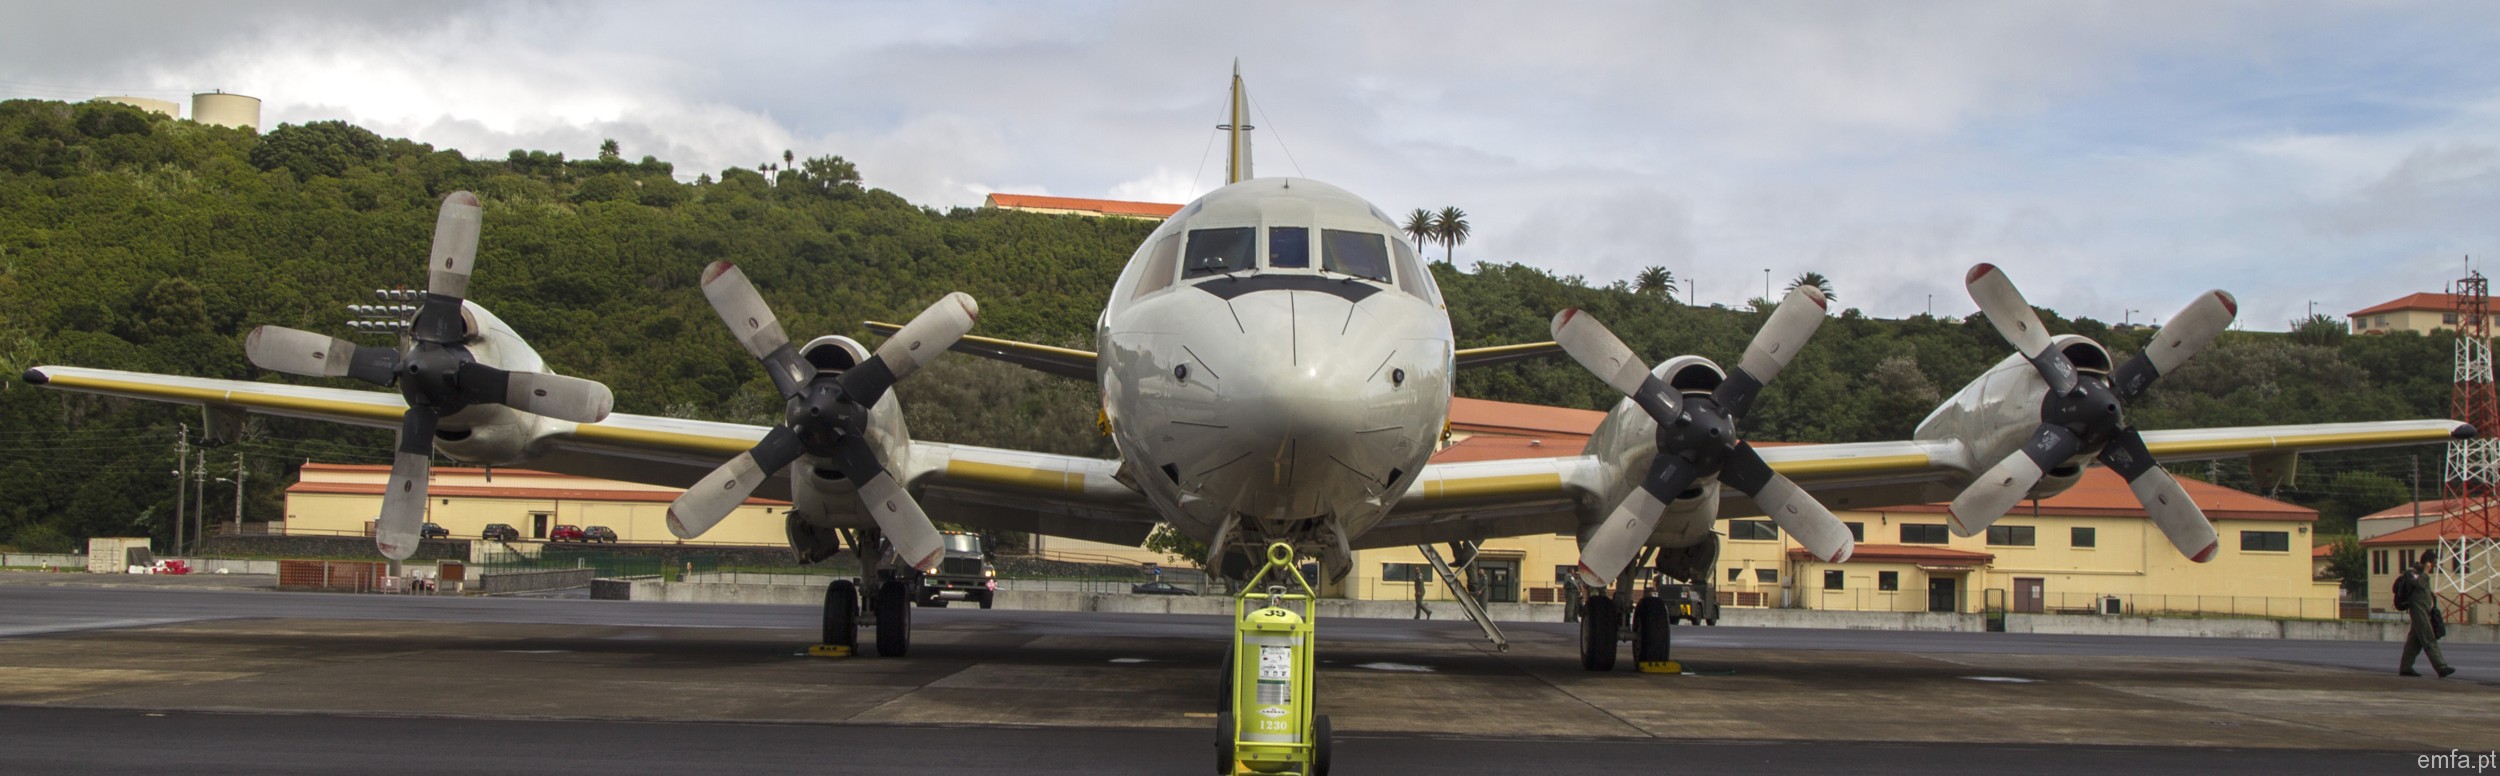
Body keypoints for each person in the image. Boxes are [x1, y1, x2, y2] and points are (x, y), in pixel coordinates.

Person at [2395, 554, 2455, 678]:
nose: (2433, 566)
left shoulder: (2421, 574)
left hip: (2425, 610)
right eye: (2432, 564)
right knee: (2428, 638)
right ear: (2427, 562)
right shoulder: (2412, 573)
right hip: (2418, 610)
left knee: (2414, 642)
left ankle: (2405, 668)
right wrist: (2426, 571)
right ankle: (2441, 667)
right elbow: (2420, 584)